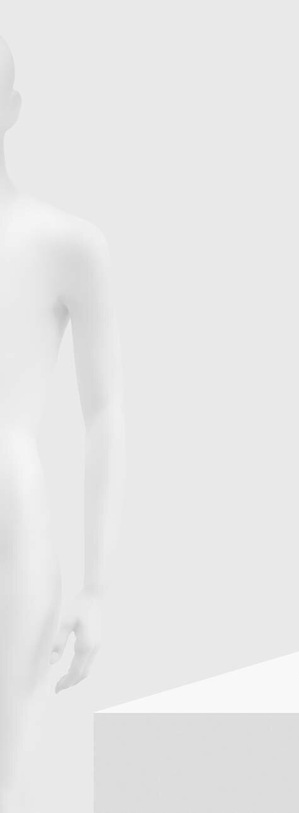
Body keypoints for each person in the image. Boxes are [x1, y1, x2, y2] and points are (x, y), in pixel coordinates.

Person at [0, 37, 124, 812]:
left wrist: (97, 587)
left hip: (12, 531)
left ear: (9, 108)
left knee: (4, 771)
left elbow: (104, 414)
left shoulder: (65, 244)